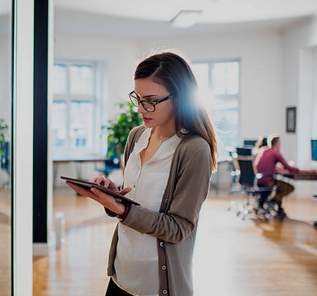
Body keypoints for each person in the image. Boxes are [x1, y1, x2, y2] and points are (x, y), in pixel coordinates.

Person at [66, 52, 218, 296]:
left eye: (150, 100)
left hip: (156, 285)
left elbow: (178, 228)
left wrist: (123, 210)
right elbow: (135, 202)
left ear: (179, 97)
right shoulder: (136, 136)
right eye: (137, 98)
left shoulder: (194, 150)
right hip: (120, 275)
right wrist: (114, 198)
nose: (140, 108)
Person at [254, 135, 316, 217]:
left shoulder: (263, 150)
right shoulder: (275, 153)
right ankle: (273, 202)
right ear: (277, 143)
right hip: (268, 180)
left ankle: (276, 205)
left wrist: (275, 168)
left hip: (258, 180)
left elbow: (260, 165)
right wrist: (307, 171)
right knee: (288, 187)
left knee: (280, 187)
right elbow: (289, 167)